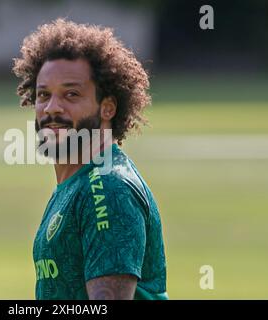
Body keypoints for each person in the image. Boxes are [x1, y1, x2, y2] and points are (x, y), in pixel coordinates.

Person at [12, 18, 168, 300]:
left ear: (107, 108)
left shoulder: (107, 188)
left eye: (71, 94)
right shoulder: (76, 184)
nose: (52, 108)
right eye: (43, 95)